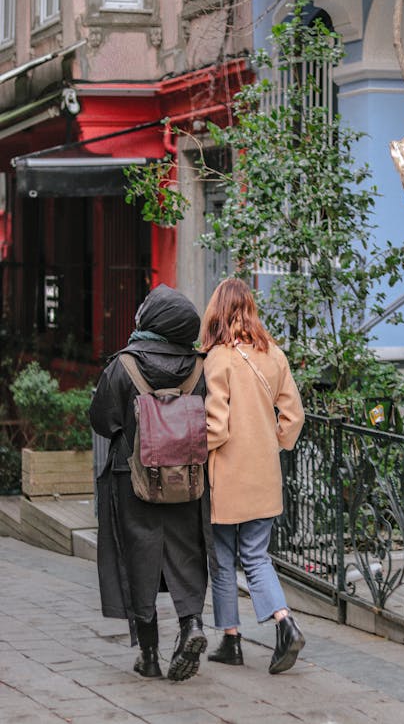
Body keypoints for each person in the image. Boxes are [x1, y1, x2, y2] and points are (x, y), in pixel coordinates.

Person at [89, 283, 212, 682]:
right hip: (186, 480)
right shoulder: (199, 367)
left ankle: (150, 654)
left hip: (133, 479)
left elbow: (102, 420)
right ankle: (191, 625)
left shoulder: (123, 366)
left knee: (137, 560)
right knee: (185, 553)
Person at [200, 277, 306, 674]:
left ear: (219, 312)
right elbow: (294, 418)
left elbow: (216, 427)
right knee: (257, 555)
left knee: (224, 559)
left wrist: (193, 450)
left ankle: (237, 638)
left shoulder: (218, 359)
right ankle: (279, 625)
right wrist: (271, 444)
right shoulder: (274, 355)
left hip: (226, 479)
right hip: (264, 477)